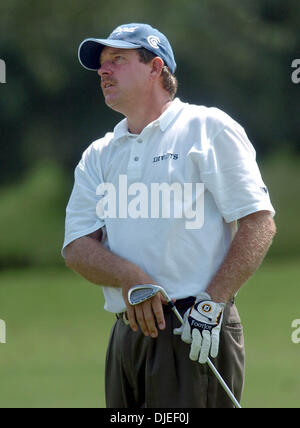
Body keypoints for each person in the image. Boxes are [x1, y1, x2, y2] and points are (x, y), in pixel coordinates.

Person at [62, 23, 276, 408]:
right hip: (127, 336)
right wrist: (131, 278)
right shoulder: (99, 153)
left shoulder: (208, 128)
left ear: (155, 67)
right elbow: (77, 247)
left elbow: (259, 222)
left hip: (194, 329)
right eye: (101, 64)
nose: (103, 71)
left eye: (118, 60)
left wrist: (213, 303)